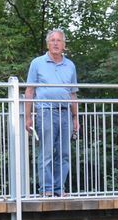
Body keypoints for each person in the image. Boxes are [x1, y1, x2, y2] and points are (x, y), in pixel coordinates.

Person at [24, 29, 79, 197]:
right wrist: (28, 116)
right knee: (46, 152)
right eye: (52, 40)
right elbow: (29, 90)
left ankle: (59, 189)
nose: (55, 43)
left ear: (64, 45)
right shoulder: (37, 63)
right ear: (48, 43)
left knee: (64, 154)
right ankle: (46, 190)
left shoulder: (70, 65)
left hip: (65, 114)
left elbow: (73, 93)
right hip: (45, 111)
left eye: (59, 40)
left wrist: (76, 117)